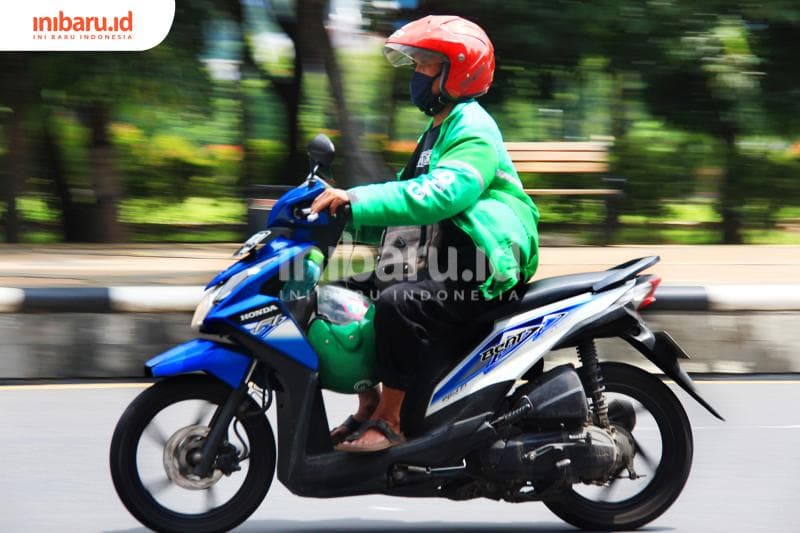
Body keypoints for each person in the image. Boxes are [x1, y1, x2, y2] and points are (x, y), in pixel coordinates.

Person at [310, 15, 540, 452]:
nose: (416, 75)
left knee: (399, 304)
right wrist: (336, 211)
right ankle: (369, 405)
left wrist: (357, 198)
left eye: (425, 65)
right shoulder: (437, 130)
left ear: (458, 71)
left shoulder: (473, 127)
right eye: (415, 64)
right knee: (342, 293)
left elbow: (441, 196)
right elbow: (404, 201)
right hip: (439, 257)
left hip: (480, 265)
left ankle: (392, 421)